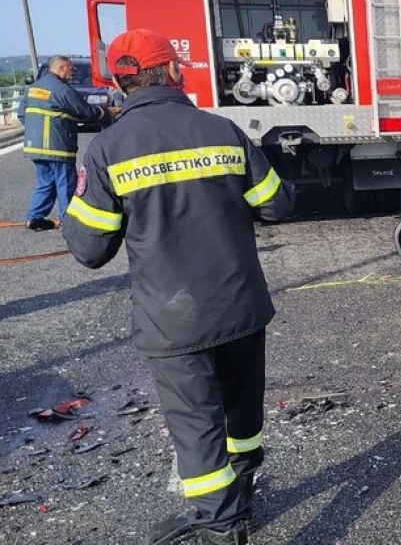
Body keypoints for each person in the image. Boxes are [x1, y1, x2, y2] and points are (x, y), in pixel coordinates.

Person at [60, 30, 294, 545]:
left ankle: (220, 525)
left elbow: (90, 248)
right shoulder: (223, 130)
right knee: (241, 409)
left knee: (196, 426)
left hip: (173, 320)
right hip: (240, 307)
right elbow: (277, 204)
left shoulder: (108, 149)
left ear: (120, 83)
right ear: (172, 72)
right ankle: (244, 487)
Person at [17, 55, 117, 230]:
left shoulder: (33, 88)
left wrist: (37, 131)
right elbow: (84, 111)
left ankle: (34, 217)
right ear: (61, 68)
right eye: (72, 69)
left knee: (45, 182)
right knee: (66, 183)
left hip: (35, 147)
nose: (73, 73)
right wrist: (107, 113)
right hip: (58, 147)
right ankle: (68, 220)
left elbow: (22, 114)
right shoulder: (62, 89)